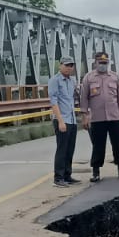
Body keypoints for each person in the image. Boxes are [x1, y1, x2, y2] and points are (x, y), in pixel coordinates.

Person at [80, 49, 119, 183]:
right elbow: (84, 98)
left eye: (105, 62)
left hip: (114, 117)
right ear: (95, 62)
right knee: (98, 145)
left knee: (117, 144)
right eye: (100, 62)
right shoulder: (89, 78)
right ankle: (95, 172)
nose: (103, 64)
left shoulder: (114, 77)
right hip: (97, 118)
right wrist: (84, 116)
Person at [48, 55, 80, 186]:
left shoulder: (72, 81)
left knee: (70, 149)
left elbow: (73, 99)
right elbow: (53, 102)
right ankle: (58, 177)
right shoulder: (55, 80)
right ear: (60, 65)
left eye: (71, 65)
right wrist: (60, 121)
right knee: (62, 149)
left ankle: (67, 175)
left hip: (71, 119)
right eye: (66, 65)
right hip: (62, 119)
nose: (69, 68)